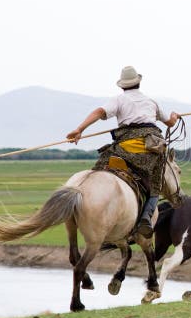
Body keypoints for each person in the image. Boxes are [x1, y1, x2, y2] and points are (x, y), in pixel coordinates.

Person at [67, 66, 180, 237]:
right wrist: (174, 116)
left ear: (122, 86)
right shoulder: (151, 102)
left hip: (124, 148)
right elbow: (170, 123)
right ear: (138, 83)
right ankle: (146, 219)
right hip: (150, 151)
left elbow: (99, 112)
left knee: (101, 167)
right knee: (155, 183)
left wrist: (79, 129)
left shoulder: (119, 100)